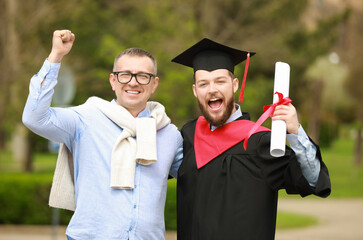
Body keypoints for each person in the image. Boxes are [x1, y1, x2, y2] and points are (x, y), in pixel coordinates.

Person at [22, 30, 183, 240]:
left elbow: (200, 179)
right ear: (113, 81)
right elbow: (35, 118)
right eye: (125, 75)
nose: (133, 82)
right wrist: (55, 57)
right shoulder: (85, 119)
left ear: (154, 84)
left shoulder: (169, 133)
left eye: (143, 76)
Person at [171, 38, 331, 240]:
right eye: (204, 83)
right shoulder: (189, 135)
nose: (212, 89)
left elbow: (313, 180)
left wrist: (295, 131)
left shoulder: (261, 143)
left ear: (235, 85)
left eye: (220, 81)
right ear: (195, 91)